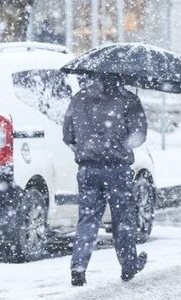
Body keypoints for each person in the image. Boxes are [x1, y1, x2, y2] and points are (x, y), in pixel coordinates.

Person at [63, 74, 148, 286]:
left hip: (88, 168)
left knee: (88, 220)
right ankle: (128, 266)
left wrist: (85, 147)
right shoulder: (129, 100)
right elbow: (139, 136)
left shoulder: (79, 98)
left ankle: (78, 266)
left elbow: (67, 135)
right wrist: (122, 143)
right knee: (123, 219)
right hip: (118, 169)